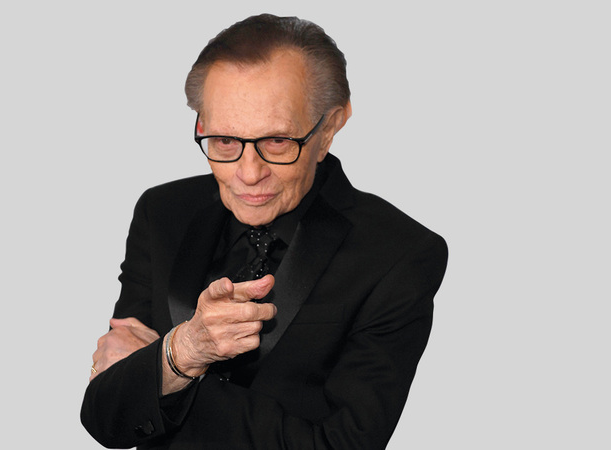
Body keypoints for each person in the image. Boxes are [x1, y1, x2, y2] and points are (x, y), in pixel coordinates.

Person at [81, 13, 448, 449]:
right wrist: (169, 361)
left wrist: (175, 362)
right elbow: (106, 419)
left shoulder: (400, 254)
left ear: (329, 127)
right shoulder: (162, 213)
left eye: (277, 141)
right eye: (224, 141)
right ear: (202, 125)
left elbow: (343, 446)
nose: (249, 173)